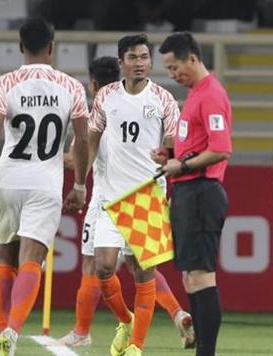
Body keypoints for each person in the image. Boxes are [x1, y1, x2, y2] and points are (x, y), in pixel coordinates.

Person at [0, 18, 90, 356]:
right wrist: (79, 183)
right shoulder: (72, 86)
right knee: (33, 259)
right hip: (46, 182)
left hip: (9, 179)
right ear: (52, 47)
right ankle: (13, 333)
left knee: (5, 258)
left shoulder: (3, 83)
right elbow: (82, 138)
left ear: (21, 46)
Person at [58, 56, 194, 349]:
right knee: (139, 266)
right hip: (141, 197)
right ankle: (175, 312)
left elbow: (76, 157)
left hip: (106, 198)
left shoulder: (101, 111)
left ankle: (87, 330)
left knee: (95, 265)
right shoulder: (131, 103)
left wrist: (48, 155)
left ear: (93, 84)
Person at [82, 34, 181, 356]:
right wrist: (81, 180)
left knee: (142, 272)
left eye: (144, 57)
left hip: (147, 195)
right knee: (104, 267)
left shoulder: (163, 99)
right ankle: (125, 321)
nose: (139, 63)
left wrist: (165, 152)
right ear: (121, 61)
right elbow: (93, 137)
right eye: (133, 57)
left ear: (150, 61)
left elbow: (173, 141)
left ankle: (137, 345)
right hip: (110, 196)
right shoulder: (106, 96)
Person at [154, 32, 232, 356]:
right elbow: (198, 145)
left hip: (201, 192)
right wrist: (169, 156)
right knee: (190, 278)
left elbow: (221, 149)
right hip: (188, 192)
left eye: (175, 68)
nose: (172, 75)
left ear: (193, 58)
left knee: (201, 277)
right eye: (168, 70)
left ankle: (207, 352)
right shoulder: (195, 94)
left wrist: (181, 167)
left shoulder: (211, 94)